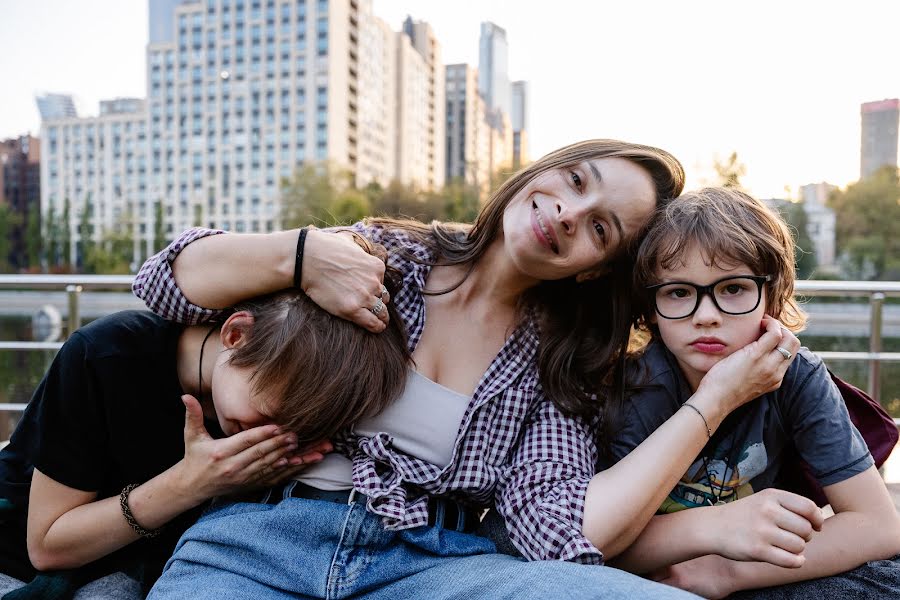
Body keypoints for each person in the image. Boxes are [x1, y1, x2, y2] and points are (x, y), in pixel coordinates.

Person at [134, 139, 799, 599]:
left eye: (601, 229)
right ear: (547, 168)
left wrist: (710, 402)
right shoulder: (386, 255)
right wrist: (303, 254)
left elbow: (559, 530)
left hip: (428, 567)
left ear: (596, 266)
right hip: (260, 541)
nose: (568, 215)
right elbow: (166, 283)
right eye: (575, 181)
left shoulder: (557, 364)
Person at [0, 250, 409, 599]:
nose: (266, 435)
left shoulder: (274, 426)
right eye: (269, 413)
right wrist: (192, 483)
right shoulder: (105, 356)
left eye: (296, 428)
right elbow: (45, 544)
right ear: (236, 335)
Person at [602, 187, 900, 599]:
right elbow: (600, 541)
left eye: (733, 289)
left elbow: (879, 525)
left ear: (771, 298)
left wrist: (727, 574)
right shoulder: (631, 387)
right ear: (650, 307)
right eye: (678, 292)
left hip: (745, 568)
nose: (706, 316)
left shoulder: (797, 376)